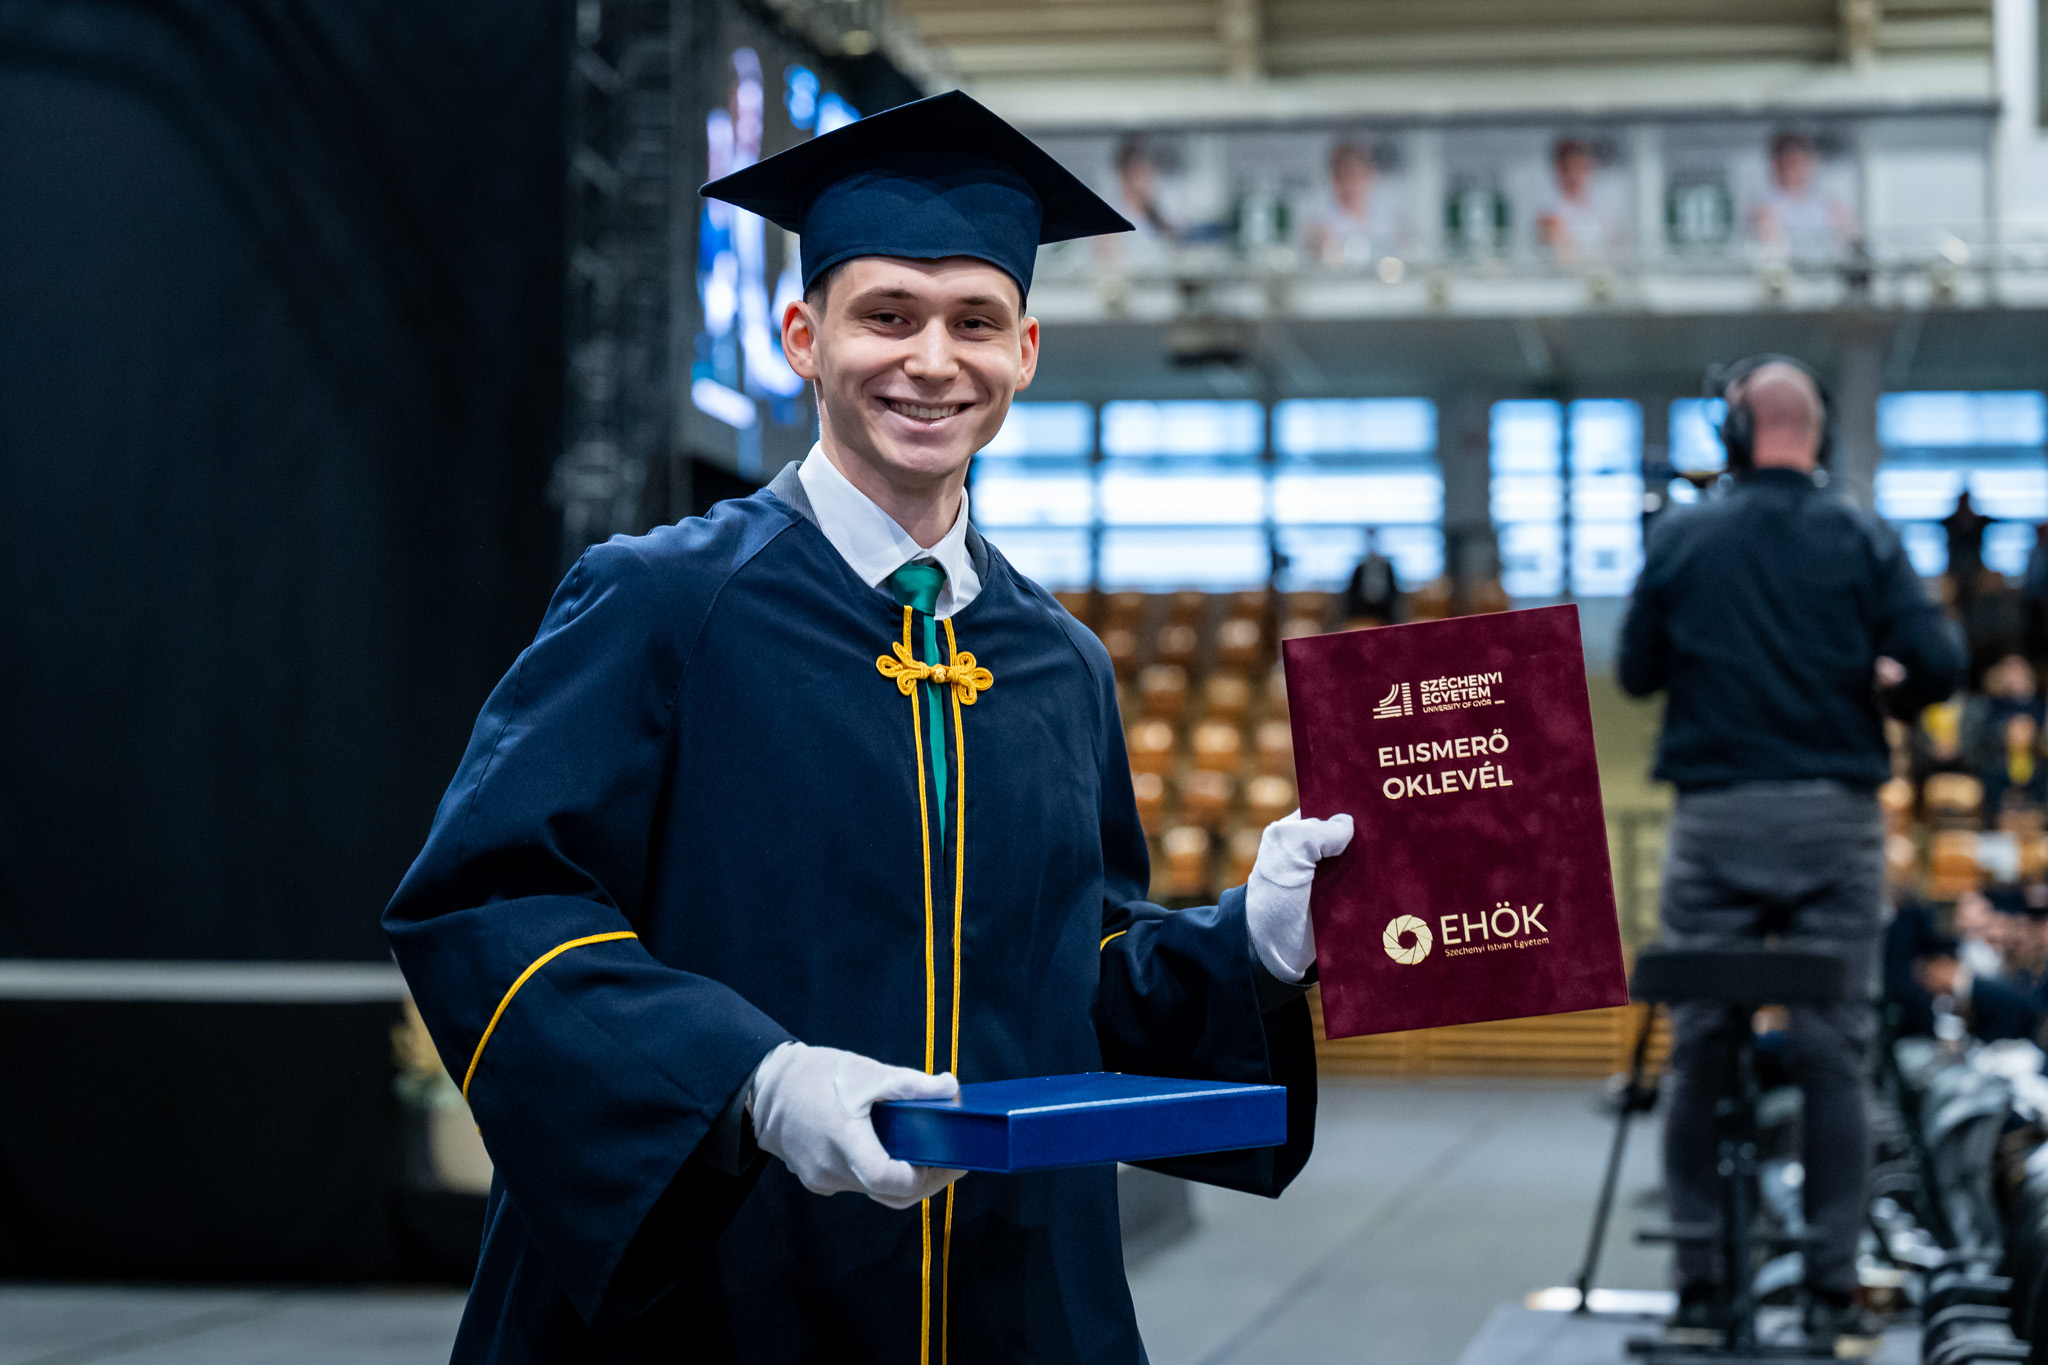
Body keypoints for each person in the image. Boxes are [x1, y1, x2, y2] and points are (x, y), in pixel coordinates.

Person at [384, 91, 1355, 1363]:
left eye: (974, 323)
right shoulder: (664, 601)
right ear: (802, 336)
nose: (930, 361)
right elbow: (488, 903)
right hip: (732, 1284)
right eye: (885, 316)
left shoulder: (1055, 663)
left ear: (1026, 353)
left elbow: (1079, 976)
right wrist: (753, 1081)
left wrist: (1256, 945)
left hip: (1011, 1290)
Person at [1617, 357, 1966, 1354]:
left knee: (1699, 1048)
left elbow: (1637, 672)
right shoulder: (1859, 533)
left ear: (1734, 436)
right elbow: (1939, 663)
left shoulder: (1682, 536)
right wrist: (1885, 681)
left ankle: (1696, 1284)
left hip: (1715, 824)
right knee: (1832, 1055)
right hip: (1831, 825)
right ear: (1816, 438)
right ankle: (1824, 1287)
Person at [1750, 131, 1854, 260]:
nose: (1796, 170)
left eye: (1801, 162)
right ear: (1776, 165)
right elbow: (1772, 252)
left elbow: (1848, 242)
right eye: (1790, 163)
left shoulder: (1828, 203)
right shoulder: (1766, 207)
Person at [1305, 139, 1402, 267]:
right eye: (1342, 176)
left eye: (1356, 175)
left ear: (1370, 176)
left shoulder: (1390, 221)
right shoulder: (1322, 227)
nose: (1350, 184)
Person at [1533, 137, 1623, 264]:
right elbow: (1562, 261)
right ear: (1559, 171)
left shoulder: (1603, 207)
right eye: (1569, 168)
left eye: (1580, 167)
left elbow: (1618, 250)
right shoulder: (1549, 213)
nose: (1575, 175)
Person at [1341, 528, 1401, 625]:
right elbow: (1351, 594)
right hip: (1362, 610)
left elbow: (1394, 593)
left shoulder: (1387, 568)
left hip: (1384, 610)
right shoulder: (1359, 568)